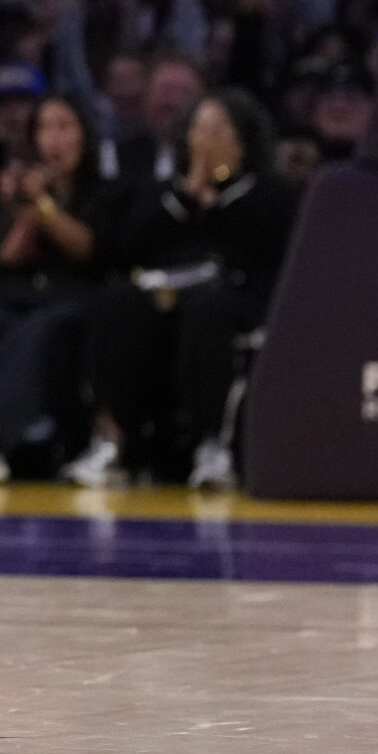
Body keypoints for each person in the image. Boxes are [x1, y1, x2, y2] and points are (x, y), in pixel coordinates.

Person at [66, 91, 298, 492]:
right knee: (118, 301)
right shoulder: (164, 194)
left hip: (235, 295)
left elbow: (269, 250)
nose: (207, 139)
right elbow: (129, 246)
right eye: (199, 128)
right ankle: (113, 441)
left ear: (244, 140)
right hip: (166, 291)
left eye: (219, 129)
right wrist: (188, 194)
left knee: (209, 310)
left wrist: (221, 190)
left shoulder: (269, 194)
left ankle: (213, 446)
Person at [0, 93, 117, 482]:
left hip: (76, 298)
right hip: (20, 296)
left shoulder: (104, 192)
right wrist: (26, 210)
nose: (54, 139)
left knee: (39, 331)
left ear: (85, 136)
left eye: (64, 127)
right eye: (45, 128)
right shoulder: (17, 192)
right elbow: (6, 258)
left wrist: (46, 208)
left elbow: (87, 249)